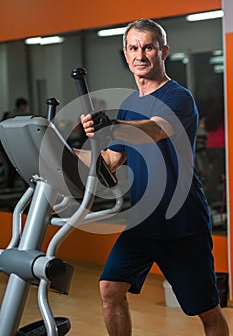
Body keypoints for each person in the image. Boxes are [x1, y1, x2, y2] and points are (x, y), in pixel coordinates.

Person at [76, 19, 229, 335]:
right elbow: (111, 161)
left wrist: (112, 125)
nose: (140, 54)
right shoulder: (130, 104)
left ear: (164, 51)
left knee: (207, 312)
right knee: (109, 289)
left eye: (148, 47)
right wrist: (58, 149)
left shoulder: (179, 97)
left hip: (182, 223)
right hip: (145, 223)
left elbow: (156, 129)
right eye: (133, 47)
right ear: (125, 53)